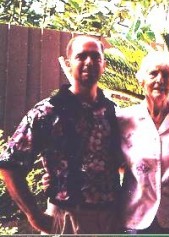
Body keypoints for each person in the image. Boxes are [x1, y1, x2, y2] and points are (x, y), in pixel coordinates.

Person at [0, 35, 122, 234]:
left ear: (104, 65)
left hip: (109, 220)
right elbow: (9, 165)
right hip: (66, 218)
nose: (89, 62)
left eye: (95, 57)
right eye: (81, 56)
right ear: (68, 63)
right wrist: (34, 216)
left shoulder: (112, 112)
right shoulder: (48, 112)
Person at [117, 50, 169, 234]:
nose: (160, 80)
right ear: (141, 81)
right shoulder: (123, 120)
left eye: (166, 75)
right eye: (153, 73)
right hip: (135, 217)